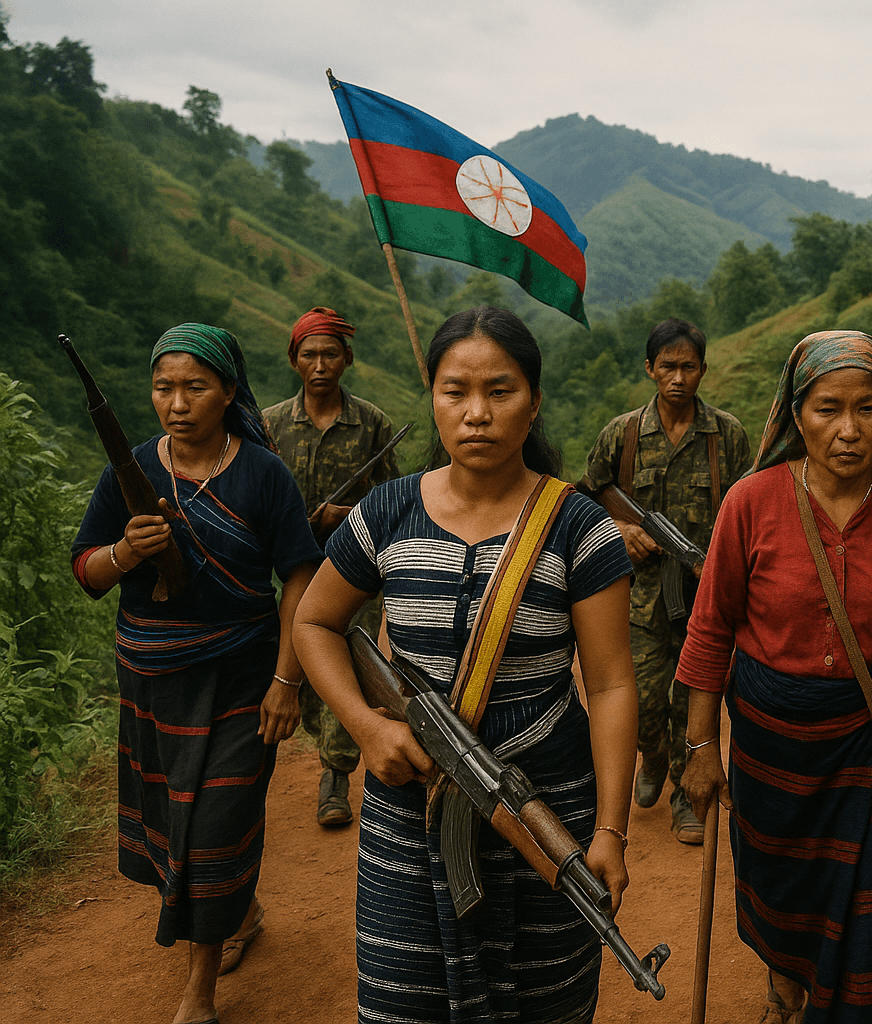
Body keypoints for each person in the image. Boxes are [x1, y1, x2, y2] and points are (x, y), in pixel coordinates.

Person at [292, 306, 639, 1023]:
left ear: (534, 401)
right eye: (456, 391)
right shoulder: (385, 513)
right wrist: (365, 726)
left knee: (547, 1000)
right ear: (433, 399)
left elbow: (609, 684)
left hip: (546, 810)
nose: (476, 413)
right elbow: (315, 622)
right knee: (403, 1002)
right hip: (410, 806)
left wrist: (608, 832)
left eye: (500, 391)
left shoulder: (580, 528)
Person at [679, 330, 872, 1024]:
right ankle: (786, 977)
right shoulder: (750, 504)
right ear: (795, 413)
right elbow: (711, 627)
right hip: (772, 738)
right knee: (783, 884)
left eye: (868, 408)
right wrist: (699, 748)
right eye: (827, 409)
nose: (849, 430)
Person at [71, 322, 321, 1024]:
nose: (176, 403)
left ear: (229, 392)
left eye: (194, 387)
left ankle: (199, 995)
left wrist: (286, 681)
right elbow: (85, 571)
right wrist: (124, 553)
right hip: (151, 684)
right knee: (168, 825)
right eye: (163, 387)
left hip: (242, 681)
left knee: (215, 827)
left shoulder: (264, 475)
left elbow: (300, 575)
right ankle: (235, 911)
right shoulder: (132, 474)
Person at [578, 318, 751, 844]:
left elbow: (748, 509)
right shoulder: (623, 433)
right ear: (650, 368)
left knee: (692, 697)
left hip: (705, 595)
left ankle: (684, 794)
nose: (678, 377)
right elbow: (586, 496)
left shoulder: (727, 435)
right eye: (668, 366)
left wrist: (718, 564)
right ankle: (651, 756)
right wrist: (622, 528)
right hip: (638, 595)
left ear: (703, 369)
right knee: (645, 702)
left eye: (689, 366)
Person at [262, 306, 401, 828]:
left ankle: (336, 774)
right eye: (309, 354)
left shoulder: (373, 424)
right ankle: (323, 738)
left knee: (350, 661)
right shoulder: (271, 424)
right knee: (299, 665)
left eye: (330, 353)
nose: (319, 363)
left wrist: (349, 513)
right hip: (291, 569)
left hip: (355, 569)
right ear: (294, 360)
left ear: (347, 359)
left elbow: (392, 498)